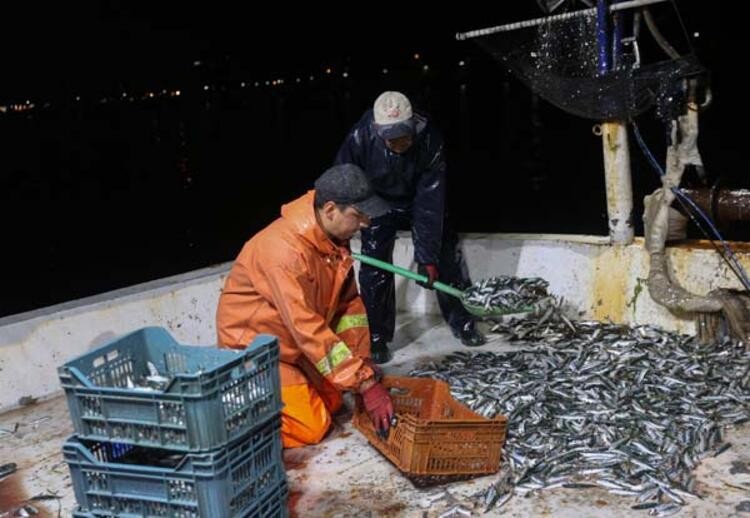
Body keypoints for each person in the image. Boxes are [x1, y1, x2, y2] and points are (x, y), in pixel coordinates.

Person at [216, 164, 395, 448]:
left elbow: (349, 308)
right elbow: (306, 328)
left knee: (336, 399)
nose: (365, 224)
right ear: (330, 210)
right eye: (358, 215)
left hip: (293, 345)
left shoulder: (334, 243)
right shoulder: (284, 253)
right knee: (312, 427)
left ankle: (280, 397)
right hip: (258, 350)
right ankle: (231, 422)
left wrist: (363, 365)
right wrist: (364, 384)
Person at [335, 91, 486, 364]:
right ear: (377, 130)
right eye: (390, 136)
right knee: (374, 266)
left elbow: (430, 201)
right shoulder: (359, 137)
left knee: (445, 254)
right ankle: (377, 336)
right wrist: (343, 228)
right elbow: (343, 181)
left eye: (403, 133)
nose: (397, 142)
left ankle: (463, 322)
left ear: (413, 125)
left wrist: (427, 256)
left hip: (419, 198)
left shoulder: (431, 139)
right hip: (376, 201)